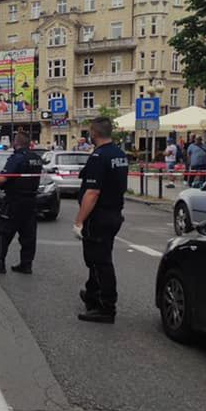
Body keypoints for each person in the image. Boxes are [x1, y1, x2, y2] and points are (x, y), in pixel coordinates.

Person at [73, 117, 129, 323]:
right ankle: (91, 294)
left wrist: (79, 221)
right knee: (100, 257)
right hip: (114, 213)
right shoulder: (119, 154)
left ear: (94, 133)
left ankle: (106, 306)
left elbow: (92, 193)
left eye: (90, 131)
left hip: (99, 216)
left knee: (99, 262)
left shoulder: (99, 156)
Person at [0, 131, 43, 275]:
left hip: (14, 202)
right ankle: (26, 265)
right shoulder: (36, 158)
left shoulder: (17, 158)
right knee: (28, 235)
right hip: (31, 202)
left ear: (16, 143)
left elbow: (2, 179)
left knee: (3, 233)